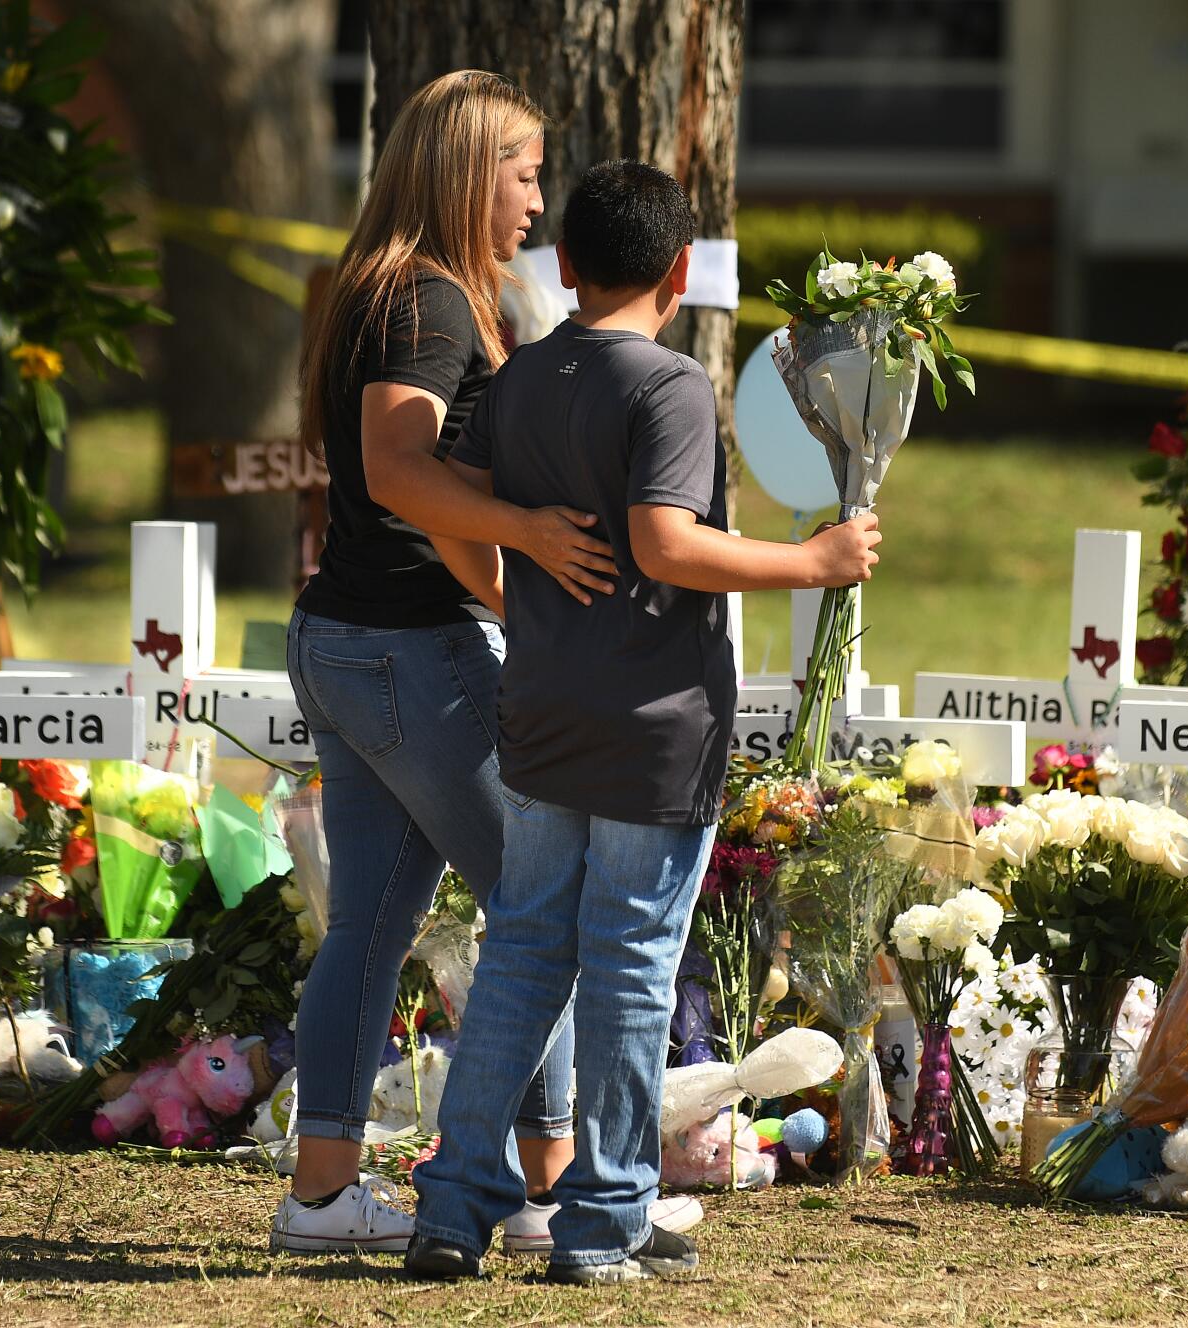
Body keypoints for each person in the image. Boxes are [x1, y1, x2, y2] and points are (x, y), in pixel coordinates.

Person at [405, 160, 882, 1284]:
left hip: (544, 706)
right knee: (626, 966)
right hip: (650, 722)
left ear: (562, 266)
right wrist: (809, 559)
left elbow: (448, 509)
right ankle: (602, 1218)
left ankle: (452, 1201)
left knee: (522, 954)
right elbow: (665, 541)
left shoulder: (519, 376)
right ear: (678, 272)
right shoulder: (665, 385)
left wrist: (507, 579)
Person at [272, 71, 701, 1256]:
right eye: (519, 171)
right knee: (541, 909)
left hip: (348, 638)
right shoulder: (429, 299)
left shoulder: (382, 286)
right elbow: (399, 469)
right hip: (411, 648)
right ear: (468, 171)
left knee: (368, 925)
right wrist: (529, 536)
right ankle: (557, 1183)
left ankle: (320, 1199)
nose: (533, 199)